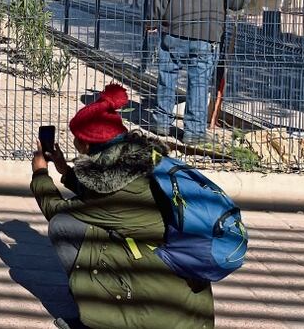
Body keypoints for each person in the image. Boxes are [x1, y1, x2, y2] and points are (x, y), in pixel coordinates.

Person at [31, 83, 215, 329]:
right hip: (188, 301)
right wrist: (65, 171)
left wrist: (40, 173)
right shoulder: (142, 160)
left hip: (165, 313)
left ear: (88, 145)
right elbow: (103, 195)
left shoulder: (110, 185)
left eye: (77, 138)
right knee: (90, 230)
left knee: (63, 226)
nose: (74, 142)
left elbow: (58, 208)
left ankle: (101, 319)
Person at [149, 0, 252, 144]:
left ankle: (161, 123)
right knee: (199, 82)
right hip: (208, 35)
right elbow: (235, 3)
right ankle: (194, 133)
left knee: (167, 77)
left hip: (174, 31)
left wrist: (151, 21)